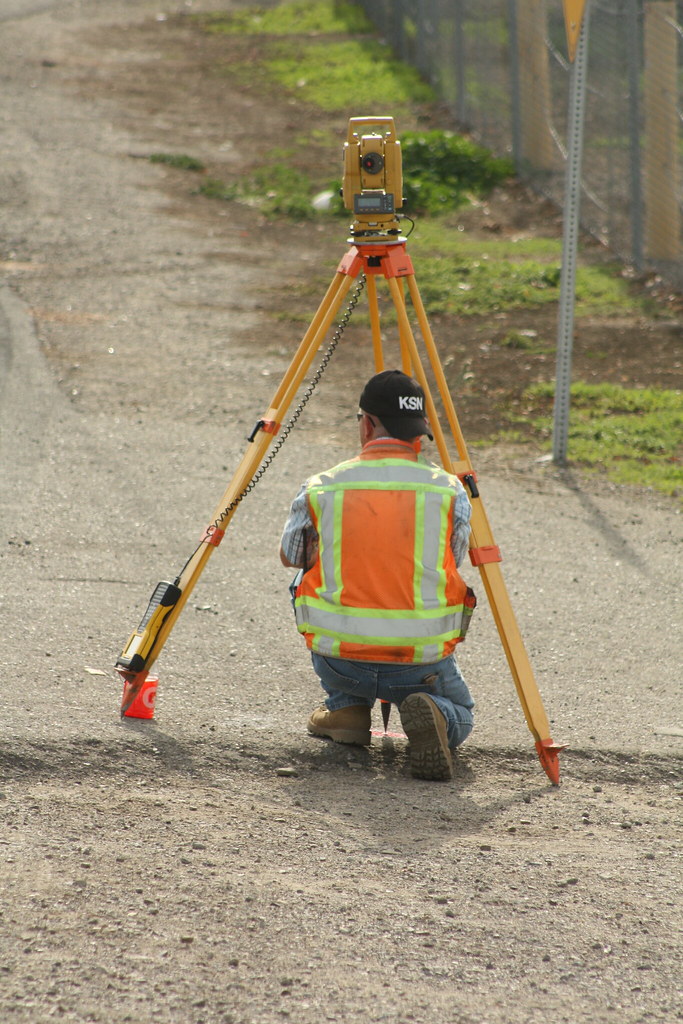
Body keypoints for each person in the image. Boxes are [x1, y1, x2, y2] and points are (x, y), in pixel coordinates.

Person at [280, 369, 476, 781]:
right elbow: (451, 562)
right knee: (464, 716)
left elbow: (291, 555)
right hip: (419, 662)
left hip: (339, 656)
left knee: (315, 581)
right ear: (418, 432)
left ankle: (345, 707)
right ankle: (436, 714)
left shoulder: (322, 487)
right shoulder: (449, 490)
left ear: (367, 423)